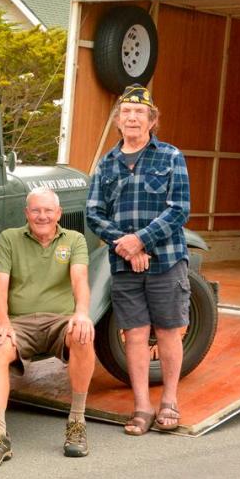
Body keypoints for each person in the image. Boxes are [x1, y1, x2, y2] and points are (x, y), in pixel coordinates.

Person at [85, 84, 190, 436]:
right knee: (134, 334)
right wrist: (127, 246)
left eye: (139, 113)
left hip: (167, 261)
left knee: (168, 331)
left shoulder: (171, 157)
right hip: (123, 263)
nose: (132, 117)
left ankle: (170, 401)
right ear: (118, 120)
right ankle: (142, 406)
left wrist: (141, 241)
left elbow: (179, 210)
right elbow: (94, 214)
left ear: (152, 120)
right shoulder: (107, 163)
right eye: (126, 112)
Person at [0, 187, 95, 467]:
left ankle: (77, 423)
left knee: (83, 335)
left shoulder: (75, 239)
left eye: (48, 210)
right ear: (26, 213)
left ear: (59, 214)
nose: (42, 216)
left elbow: (80, 281)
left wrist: (81, 314)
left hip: (60, 320)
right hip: (20, 321)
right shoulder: (10, 239)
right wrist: (3, 324)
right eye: (36, 210)